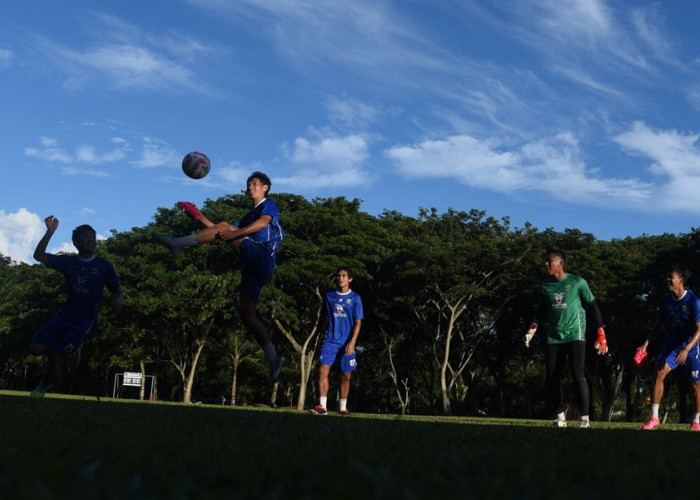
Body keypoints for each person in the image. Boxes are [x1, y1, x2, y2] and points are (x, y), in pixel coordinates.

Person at [155, 171, 285, 384]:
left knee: (226, 226)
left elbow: (261, 224)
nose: (250, 187)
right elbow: (219, 231)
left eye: (254, 183)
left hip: (262, 256)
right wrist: (198, 216)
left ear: (265, 187)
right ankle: (273, 357)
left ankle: (177, 243)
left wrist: (235, 233)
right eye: (248, 184)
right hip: (251, 267)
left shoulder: (268, 204)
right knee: (246, 313)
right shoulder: (246, 217)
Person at [29, 216, 123, 398]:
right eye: (86, 237)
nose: (91, 241)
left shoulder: (104, 266)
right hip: (63, 316)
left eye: (93, 238)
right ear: (76, 242)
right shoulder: (68, 262)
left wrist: (118, 298)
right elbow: (38, 256)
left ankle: (40, 390)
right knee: (35, 349)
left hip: (84, 322)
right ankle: (58, 353)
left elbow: (117, 290)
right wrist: (50, 232)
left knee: (57, 357)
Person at [524, 249, 608, 428]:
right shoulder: (545, 287)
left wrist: (601, 333)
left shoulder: (578, 282)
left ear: (560, 263)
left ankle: (585, 418)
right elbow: (538, 312)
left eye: (549, 261)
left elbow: (593, 307)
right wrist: (532, 327)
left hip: (575, 335)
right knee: (552, 377)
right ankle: (560, 417)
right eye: (546, 261)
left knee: (578, 375)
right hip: (554, 337)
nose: (546, 264)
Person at [637, 264, 700, 431]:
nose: (667, 279)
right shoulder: (665, 301)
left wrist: (687, 349)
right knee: (659, 372)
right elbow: (659, 325)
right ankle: (654, 418)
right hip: (671, 346)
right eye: (667, 277)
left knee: (695, 385)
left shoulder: (694, 301)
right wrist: (646, 343)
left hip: (691, 347)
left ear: (681, 280)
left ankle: (696, 421)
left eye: (671, 277)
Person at [310, 267, 363, 415]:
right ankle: (322, 406)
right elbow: (322, 318)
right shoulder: (329, 297)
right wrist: (315, 336)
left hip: (347, 342)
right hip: (330, 340)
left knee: (346, 375)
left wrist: (352, 343)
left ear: (350, 279)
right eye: (338, 276)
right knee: (323, 370)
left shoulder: (355, 298)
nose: (340, 278)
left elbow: (358, 322)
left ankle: (343, 407)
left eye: (344, 275)